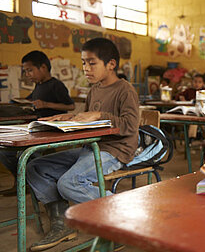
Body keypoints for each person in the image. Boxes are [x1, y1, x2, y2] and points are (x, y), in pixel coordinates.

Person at [25, 38, 140, 251]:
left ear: (111, 64)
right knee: (34, 167)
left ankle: (126, 215)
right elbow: (86, 119)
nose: (85, 68)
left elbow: (131, 125)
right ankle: (62, 224)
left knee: (69, 183)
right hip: (90, 146)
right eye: (83, 62)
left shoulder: (125, 90)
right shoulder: (95, 89)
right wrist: (68, 118)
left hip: (114, 150)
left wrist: (99, 115)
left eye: (91, 63)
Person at [0, 51, 75, 196]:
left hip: (50, 130)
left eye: (30, 70)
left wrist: (46, 104)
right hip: (35, 127)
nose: (27, 74)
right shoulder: (38, 86)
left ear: (43, 68)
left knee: (25, 154)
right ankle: (22, 181)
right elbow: (31, 101)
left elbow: (70, 106)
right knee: (4, 151)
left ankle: (33, 181)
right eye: (25, 71)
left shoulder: (56, 85)